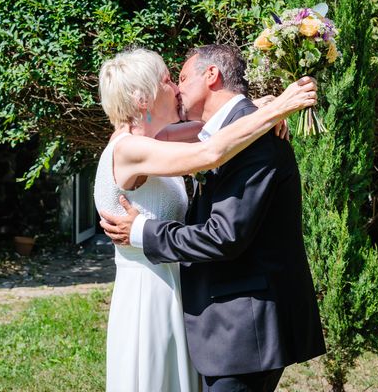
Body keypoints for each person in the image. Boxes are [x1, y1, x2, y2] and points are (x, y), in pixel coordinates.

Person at [100, 45, 326, 392]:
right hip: (150, 295)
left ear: (211, 76)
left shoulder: (159, 138)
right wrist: (279, 106)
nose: (176, 88)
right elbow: (209, 151)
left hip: (194, 302)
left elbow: (214, 132)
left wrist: (260, 108)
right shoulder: (130, 147)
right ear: (142, 98)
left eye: (180, 78)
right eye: (167, 81)